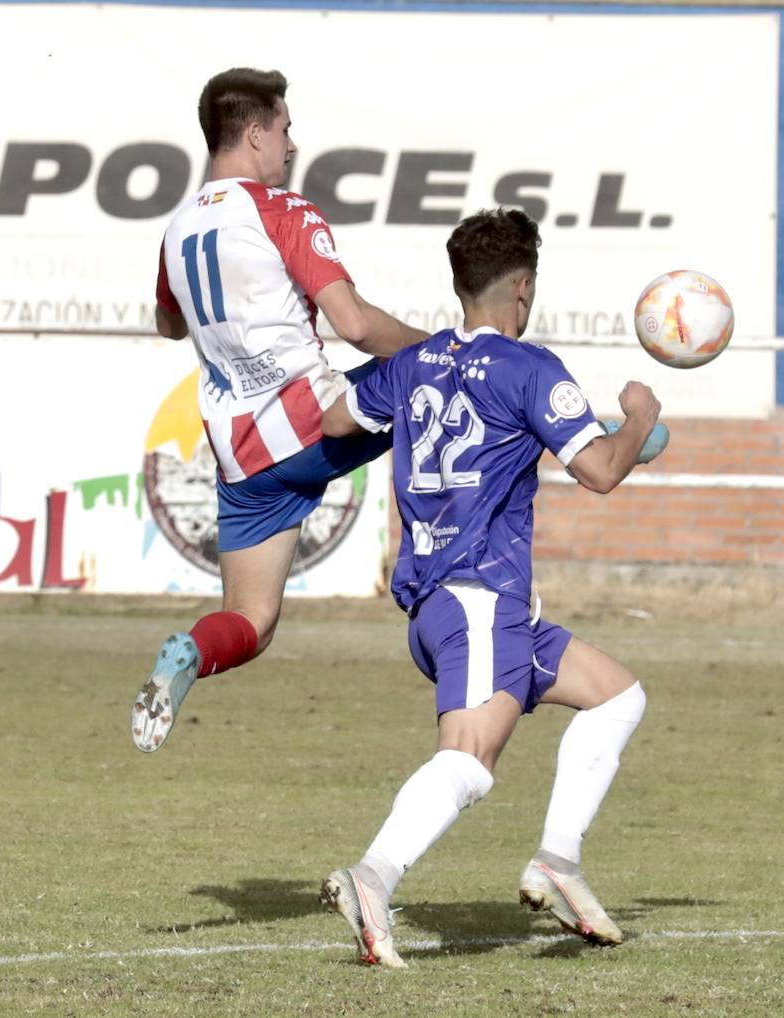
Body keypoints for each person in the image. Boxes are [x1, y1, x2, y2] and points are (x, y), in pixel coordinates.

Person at [317, 207, 661, 968]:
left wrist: (412, 390)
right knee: (470, 761)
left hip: (455, 604)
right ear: (524, 289)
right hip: (478, 598)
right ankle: (372, 877)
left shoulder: (412, 364)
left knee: (617, 696)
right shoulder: (530, 368)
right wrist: (638, 420)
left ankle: (558, 861)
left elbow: (339, 419)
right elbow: (601, 469)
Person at [131, 68, 427, 753]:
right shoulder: (281, 211)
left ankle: (188, 655)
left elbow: (168, 324)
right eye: (286, 130)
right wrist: (434, 345)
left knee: (251, 622)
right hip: (314, 423)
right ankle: (593, 434)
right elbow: (353, 324)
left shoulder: (177, 232)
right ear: (256, 134)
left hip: (243, 460)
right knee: (451, 370)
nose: (291, 146)